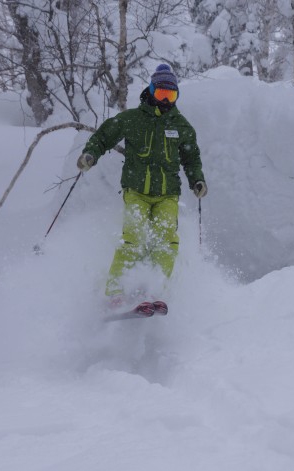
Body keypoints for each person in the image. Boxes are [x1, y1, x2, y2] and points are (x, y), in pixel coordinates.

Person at [77, 64, 207, 308]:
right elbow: (104, 136)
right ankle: (115, 294)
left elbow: (192, 158)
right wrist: (90, 154)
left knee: (166, 240)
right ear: (151, 90)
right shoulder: (132, 119)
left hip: (167, 194)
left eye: (171, 95)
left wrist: (197, 180)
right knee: (134, 239)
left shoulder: (181, 126)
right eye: (162, 94)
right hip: (136, 191)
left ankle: (156, 291)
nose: (166, 101)